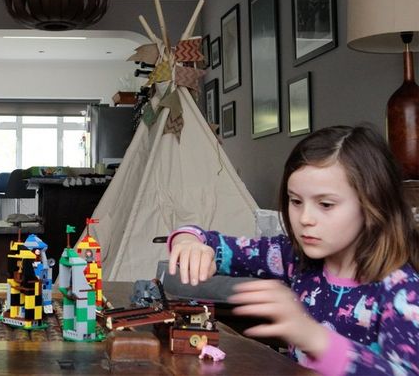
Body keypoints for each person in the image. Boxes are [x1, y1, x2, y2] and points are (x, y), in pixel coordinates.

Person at [167, 125, 419, 376]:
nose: (305, 218)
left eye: (326, 204)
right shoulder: (293, 257)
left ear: (373, 205)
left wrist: (314, 338)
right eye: (296, 201)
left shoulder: (401, 290)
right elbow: (216, 244)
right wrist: (189, 241)